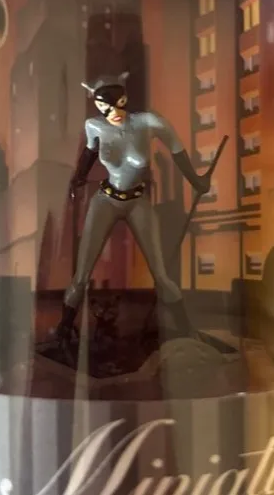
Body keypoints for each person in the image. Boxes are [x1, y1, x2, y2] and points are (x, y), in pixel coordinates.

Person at [56, 73, 212, 341]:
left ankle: (187, 331)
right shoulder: (94, 126)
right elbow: (90, 153)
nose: (114, 113)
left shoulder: (148, 123)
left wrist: (196, 181)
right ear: (97, 105)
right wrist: (77, 179)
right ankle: (64, 329)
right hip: (106, 199)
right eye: (105, 106)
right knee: (81, 275)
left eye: (119, 104)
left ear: (125, 99)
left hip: (137, 201)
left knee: (161, 275)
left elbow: (176, 149)